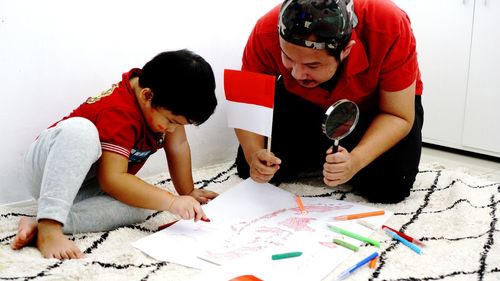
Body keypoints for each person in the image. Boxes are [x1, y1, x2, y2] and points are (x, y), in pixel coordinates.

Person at [11, 49, 219, 259]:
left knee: (144, 206)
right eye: (171, 122)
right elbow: (112, 179)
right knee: (81, 131)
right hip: (49, 172)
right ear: (147, 95)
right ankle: (49, 227)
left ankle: (39, 223)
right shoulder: (119, 112)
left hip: (87, 185)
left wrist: (187, 192)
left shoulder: (164, 103)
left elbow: (179, 145)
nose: (173, 130)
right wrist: (172, 201)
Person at [235, 0, 424, 204]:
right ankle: (316, 154)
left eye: (312, 65)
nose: (297, 73)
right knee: (252, 170)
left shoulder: (389, 25)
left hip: (375, 110)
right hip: (301, 102)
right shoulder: (266, 28)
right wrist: (253, 152)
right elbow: (247, 101)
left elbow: (397, 114)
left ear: (346, 50)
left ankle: (323, 156)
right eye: (288, 58)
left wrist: (356, 160)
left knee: (389, 188)